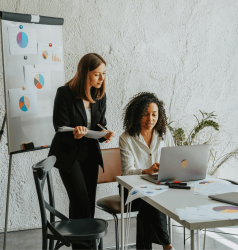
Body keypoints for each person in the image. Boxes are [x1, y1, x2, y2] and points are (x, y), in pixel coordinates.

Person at [49, 53, 114, 250]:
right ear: (84, 73)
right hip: (68, 154)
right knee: (80, 200)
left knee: (88, 202)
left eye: (103, 74)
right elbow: (60, 128)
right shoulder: (64, 93)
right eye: (97, 74)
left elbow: (100, 124)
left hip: (90, 154)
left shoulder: (99, 95)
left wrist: (104, 134)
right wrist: (76, 135)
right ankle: (84, 247)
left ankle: (85, 245)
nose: (101, 79)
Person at [119, 92, 175, 250]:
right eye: (145, 114)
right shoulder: (126, 138)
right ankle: (167, 244)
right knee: (150, 199)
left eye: (154, 114)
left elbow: (175, 158)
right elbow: (127, 171)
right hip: (130, 189)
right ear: (137, 115)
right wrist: (146, 171)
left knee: (148, 205)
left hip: (160, 186)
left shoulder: (164, 134)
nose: (150, 119)